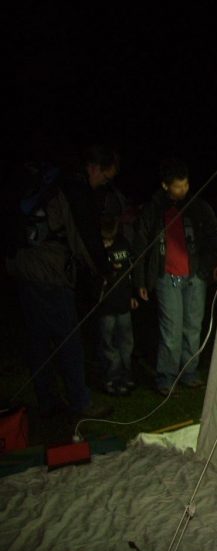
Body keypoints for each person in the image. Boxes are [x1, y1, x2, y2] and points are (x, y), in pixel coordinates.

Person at [7, 149, 119, 419]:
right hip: (48, 273)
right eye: (105, 177)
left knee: (39, 341)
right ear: (93, 167)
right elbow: (85, 239)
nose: (105, 183)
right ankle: (80, 402)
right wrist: (105, 270)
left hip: (21, 266)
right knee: (69, 340)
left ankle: (48, 401)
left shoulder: (48, 183)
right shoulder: (73, 189)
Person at [133, 158, 217, 395]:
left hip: (195, 277)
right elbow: (141, 244)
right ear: (165, 185)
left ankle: (189, 371)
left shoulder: (198, 206)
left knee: (193, 328)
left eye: (185, 185)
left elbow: (214, 235)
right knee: (171, 331)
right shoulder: (153, 210)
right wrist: (140, 280)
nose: (183, 190)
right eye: (177, 186)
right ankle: (166, 376)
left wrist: (208, 266)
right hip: (167, 277)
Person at [96, 215, 139, 396]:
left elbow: (131, 273)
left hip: (123, 302)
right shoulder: (95, 249)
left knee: (126, 342)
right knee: (109, 343)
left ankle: (126, 376)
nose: (107, 243)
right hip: (106, 305)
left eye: (110, 239)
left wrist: (133, 295)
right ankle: (111, 378)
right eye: (104, 239)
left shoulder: (123, 245)